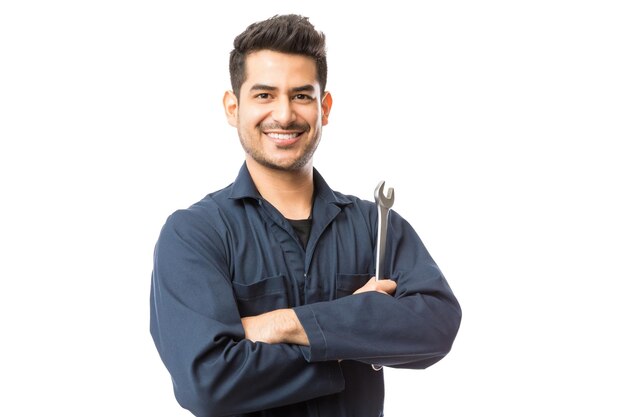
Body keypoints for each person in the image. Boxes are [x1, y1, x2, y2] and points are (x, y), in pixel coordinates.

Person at [150, 14, 461, 417]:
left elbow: (435, 328)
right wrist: (352, 331)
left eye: (301, 95)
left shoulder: (376, 226)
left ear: (324, 107)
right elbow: (208, 383)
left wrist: (280, 324)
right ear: (233, 107)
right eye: (264, 95)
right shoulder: (194, 235)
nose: (284, 115)